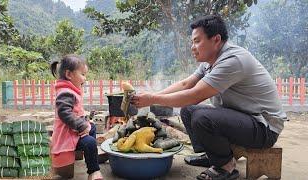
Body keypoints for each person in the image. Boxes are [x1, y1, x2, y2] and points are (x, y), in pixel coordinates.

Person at [132, 15, 287, 180]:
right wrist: (152, 96)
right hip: (245, 119)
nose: (192, 47)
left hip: (264, 128)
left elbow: (194, 95)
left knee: (202, 117)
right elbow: (186, 84)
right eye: (192, 42)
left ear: (216, 39)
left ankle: (226, 166)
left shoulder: (233, 60)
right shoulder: (210, 61)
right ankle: (214, 156)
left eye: (197, 41)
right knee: (188, 111)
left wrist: (152, 99)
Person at [50, 54, 103, 180]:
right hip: (67, 135)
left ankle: (89, 156)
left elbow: (75, 111)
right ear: (69, 75)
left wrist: (85, 120)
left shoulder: (70, 90)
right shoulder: (65, 93)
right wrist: (81, 124)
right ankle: (93, 171)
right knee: (90, 142)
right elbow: (65, 113)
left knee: (93, 128)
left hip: (74, 131)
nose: (85, 78)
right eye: (83, 74)